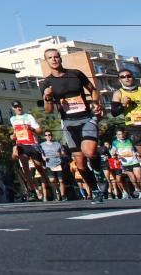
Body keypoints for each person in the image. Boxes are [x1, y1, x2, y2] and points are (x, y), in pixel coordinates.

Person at [38, 47, 106, 203]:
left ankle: (97, 169)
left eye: (56, 57)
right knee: (80, 163)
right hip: (68, 123)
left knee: (89, 151)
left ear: (60, 58)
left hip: (86, 118)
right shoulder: (46, 83)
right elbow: (48, 110)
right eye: (50, 58)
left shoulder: (75, 74)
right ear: (47, 61)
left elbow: (93, 90)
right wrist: (48, 97)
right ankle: (95, 190)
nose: (54, 59)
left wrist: (96, 103)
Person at [111, 69, 141, 191]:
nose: (126, 78)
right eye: (123, 77)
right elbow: (114, 113)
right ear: (120, 79)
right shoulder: (118, 93)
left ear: (132, 77)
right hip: (134, 128)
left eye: (128, 76)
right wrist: (122, 105)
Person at [8, 101, 48, 201]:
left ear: (22, 106)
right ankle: (32, 191)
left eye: (19, 106)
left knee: (39, 168)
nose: (18, 108)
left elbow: (39, 131)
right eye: (16, 107)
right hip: (21, 145)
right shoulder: (12, 119)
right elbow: (15, 132)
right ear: (13, 108)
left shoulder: (29, 116)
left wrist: (31, 128)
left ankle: (46, 188)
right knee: (25, 169)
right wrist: (12, 136)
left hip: (32, 144)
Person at [110, 128, 141, 198]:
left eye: (121, 134)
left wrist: (137, 153)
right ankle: (137, 189)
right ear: (116, 135)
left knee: (138, 177)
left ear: (124, 134)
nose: (120, 136)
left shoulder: (129, 140)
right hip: (125, 163)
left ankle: (140, 189)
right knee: (132, 177)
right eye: (119, 134)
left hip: (134, 160)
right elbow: (112, 152)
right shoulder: (115, 142)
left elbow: (136, 148)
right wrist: (115, 156)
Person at [39, 131, 68, 201]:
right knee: (52, 180)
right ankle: (56, 194)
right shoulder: (42, 145)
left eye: (49, 135)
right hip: (49, 165)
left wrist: (60, 154)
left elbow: (64, 153)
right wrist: (43, 158)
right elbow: (41, 155)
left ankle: (63, 195)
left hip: (58, 164)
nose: (48, 136)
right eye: (46, 135)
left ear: (52, 136)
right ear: (44, 137)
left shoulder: (57, 144)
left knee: (61, 180)